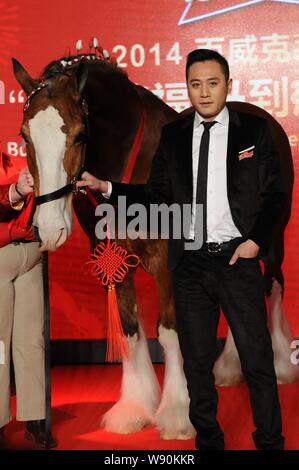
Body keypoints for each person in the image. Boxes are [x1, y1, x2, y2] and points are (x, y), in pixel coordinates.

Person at [77, 49, 287, 450]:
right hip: (189, 264)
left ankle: (270, 442)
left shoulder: (253, 133)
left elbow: (275, 195)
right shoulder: (174, 136)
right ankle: (208, 442)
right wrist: (107, 188)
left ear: (228, 84)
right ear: (186, 88)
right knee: (196, 365)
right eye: (195, 84)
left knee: (257, 362)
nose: (204, 92)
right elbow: (156, 196)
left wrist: (256, 242)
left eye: (213, 83)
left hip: (236, 260)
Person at [0, 149, 56, 449]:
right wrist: (14, 190)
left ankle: (36, 420)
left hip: (31, 257)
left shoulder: (18, 163)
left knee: (31, 340)